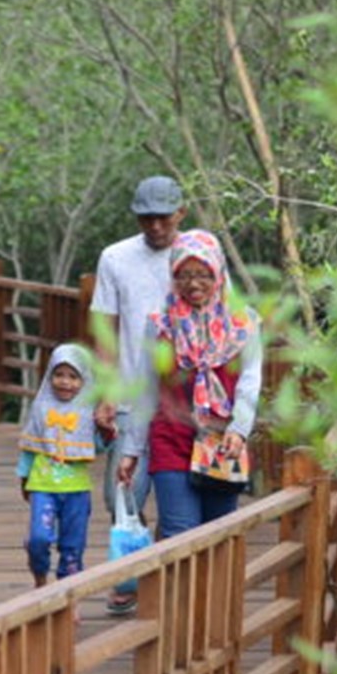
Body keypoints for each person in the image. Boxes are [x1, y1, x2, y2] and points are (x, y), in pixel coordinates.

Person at [112, 230, 261, 609]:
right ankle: (178, 630)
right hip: (170, 439)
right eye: (184, 274)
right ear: (173, 277)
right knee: (179, 535)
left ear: (218, 274)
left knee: (218, 537)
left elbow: (249, 383)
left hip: (222, 443)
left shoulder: (244, 323)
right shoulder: (160, 323)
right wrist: (131, 450)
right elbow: (146, 390)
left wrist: (240, 431)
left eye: (203, 274)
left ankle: (212, 627)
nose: (194, 284)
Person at [93, 176, 186, 615]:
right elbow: (105, 328)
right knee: (120, 496)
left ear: (180, 213)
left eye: (163, 217)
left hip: (181, 402)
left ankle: (148, 578)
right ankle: (140, 564)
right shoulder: (115, 257)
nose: (154, 226)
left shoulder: (198, 254)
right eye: (146, 217)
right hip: (131, 396)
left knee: (177, 496)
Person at [16, 344, 111, 587]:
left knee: (72, 546)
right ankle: (39, 576)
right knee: (39, 538)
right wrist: (24, 479)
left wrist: (105, 430)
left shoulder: (88, 411)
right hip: (43, 485)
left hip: (76, 489)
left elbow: (99, 447)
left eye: (73, 376)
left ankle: (69, 597)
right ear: (50, 375)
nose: (65, 382)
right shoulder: (41, 407)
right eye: (59, 375)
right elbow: (30, 447)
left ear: (84, 380)